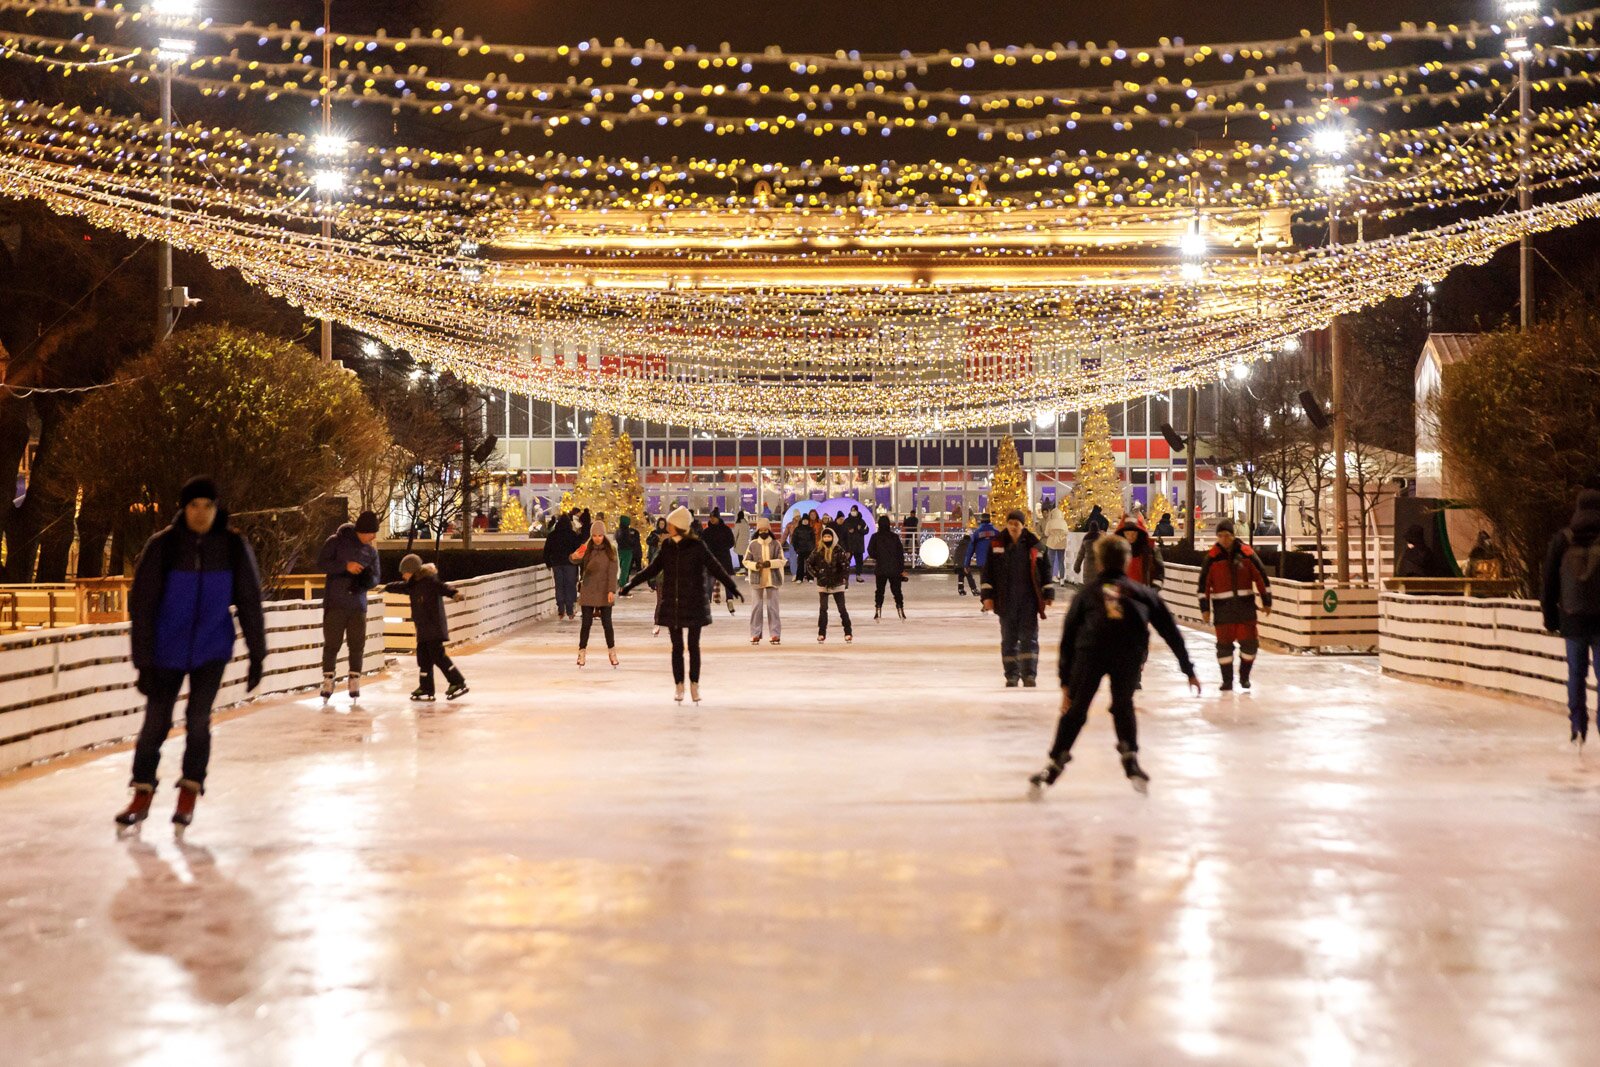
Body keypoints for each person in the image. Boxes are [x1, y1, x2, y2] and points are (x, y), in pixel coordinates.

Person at [115, 477, 267, 830]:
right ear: (184, 509)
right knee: (156, 723)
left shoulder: (231, 546)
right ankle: (142, 791)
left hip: (211, 648)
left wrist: (257, 653)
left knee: (198, 720)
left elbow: (249, 600)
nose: (201, 513)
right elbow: (143, 606)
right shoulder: (163, 546)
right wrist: (143, 662)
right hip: (165, 649)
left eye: (207, 506)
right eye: (194, 506)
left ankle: (189, 788)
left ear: (217, 508)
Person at [1031, 536, 1202, 795]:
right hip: (1128, 654)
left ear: (1098, 562)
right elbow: (1170, 632)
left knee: (1076, 710)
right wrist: (1188, 670)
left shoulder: (1087, 595)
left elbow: (1068, 637)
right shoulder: (1142, 593)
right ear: (1126, 561)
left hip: (1090, 654)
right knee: (1123, 706)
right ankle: (1130, 757)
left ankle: (1055, 762)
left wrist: (1065, 681)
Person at [621, 506, 743, 703]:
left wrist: (732, 587)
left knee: (693, 646)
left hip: (694, 602)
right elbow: (653, 569)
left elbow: (715, 568)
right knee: (676, 647)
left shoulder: (697, 546)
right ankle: (679, 685)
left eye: (670, 523)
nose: (667, 526)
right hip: (673, 602)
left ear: (678, 525)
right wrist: (630, 584)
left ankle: (694, 685)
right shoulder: (668, 546)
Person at [1542, 489, 1600, 744]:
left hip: (1572, 618)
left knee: (1576, 673)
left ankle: (1578, 723)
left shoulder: (1562, 539)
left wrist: (1551, 618)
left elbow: (1548, 583)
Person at [981, 510, 1055, 687]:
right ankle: (1011, 675)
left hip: (1028, 601)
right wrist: (987, 597)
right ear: (1007, 524)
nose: (1014, 527)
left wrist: (1048, 592)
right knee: (1009, 639)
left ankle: (1029, 675)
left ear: (1023, 525)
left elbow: (1045, 570)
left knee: (1029, 638)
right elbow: (987, 572)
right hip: (1005, 601)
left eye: (1017, 523)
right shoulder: (996, 544)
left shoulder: (1034, 545)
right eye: (1011, 523)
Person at [1198, 519, 1273, 691]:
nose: (1224, 539)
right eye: (1221, 536)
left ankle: (1244, 676)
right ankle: (1227, 681)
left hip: (1245, 609)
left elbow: (1261, 577)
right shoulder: (1212, 558)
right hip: (1223, 611)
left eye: (1227, 535)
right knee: (1224, 649)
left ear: (1233, 536)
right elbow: (1203, 586)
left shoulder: (1246, 554)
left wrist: (1266, 601)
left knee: (1250, 646)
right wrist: (1205, 608)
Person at [315, 509, 381, 701]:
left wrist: (367, 579)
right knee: (332, 644)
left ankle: (354, 679)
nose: (373, 537)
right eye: (371, 532)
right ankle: (328, 679)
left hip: (358, 605)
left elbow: (377, 577)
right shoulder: (335, 542)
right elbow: (321, 563)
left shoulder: (371, 552)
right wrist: (345, 566)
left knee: (357, 644)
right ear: (362, 530)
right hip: (336, 602)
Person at [385, 554, 468, 702]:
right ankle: (426, 687)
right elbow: (401, 587)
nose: (403, 576)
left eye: (405, 572)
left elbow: (443, 587)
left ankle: (457, 681)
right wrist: (388, 587)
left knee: (438, 657)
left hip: (434, 627)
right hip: (423, 629)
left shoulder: (429, 581)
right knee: (423, 659)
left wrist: (454, 593)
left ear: (412, 570)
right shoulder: (412, 585)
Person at [571, 518, 620, 667]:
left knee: (607, 623)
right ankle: (581, 652)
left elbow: (613, 572)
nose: (597, 538)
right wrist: (574, 556)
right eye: (594, 535)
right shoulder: (587, 549)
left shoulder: (611, 550)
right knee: (586, 623)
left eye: (600, 535)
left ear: (604, 535)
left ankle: (612, 652)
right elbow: (573, 560)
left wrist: (612, 590)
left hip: (605, 590)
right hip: (588, 589)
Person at [743, 516, 785, 644]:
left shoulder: (776, 544)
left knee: (773, 607)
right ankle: (755, 634)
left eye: (765, 529)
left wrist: (770, 563)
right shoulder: (753, 544)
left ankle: (775, 634)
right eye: (760, 529)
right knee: (756, 607)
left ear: (769, 529)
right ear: (757, 530)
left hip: (773, 579)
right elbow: (745, 561)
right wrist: (755, 565)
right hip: (757, 579)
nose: (763, 532)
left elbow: (782, 560)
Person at [808, 527, 853, 643]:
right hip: (823, 583)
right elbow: (809, 563)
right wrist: (817, 574)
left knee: (842, 608)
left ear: (833, 538)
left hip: (837, 583)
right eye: (825, 537)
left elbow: (846, 566)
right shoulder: (818, 550)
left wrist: (844, 578)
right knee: (823, 609)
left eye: (829, 537)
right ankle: (821, 633)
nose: (827, 539)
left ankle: (848, 632)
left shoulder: (839, 550)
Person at [868, 514, 908, 620]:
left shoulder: (875, 537)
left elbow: (870, 551)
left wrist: (878, 556)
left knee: (880, 591)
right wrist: (901, 569)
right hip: (894, 569)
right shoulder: (894, 537)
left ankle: (878, 609)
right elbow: (900, 553)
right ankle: (900, 609)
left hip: (881, 568)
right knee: (897, 591)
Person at [544, 510, 581, 621]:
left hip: (557, 563)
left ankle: (561, 608)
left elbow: (547, 550)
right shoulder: (572, 535)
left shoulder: (552, 535)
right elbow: (577, 550)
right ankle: (570, 610)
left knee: (559, 585)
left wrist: (548, 562)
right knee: (570, 585)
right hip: (570, 564)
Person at [1116, 517, 1166, 588]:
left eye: (1134, 533)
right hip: (1122, 594)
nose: (1131, 536)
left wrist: (1153, 590)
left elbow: (1159, 572)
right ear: (1123, 534)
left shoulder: (1150, 550)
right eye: (1127, 533)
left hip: (1143, 593)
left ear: (1139, 533)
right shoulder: (1116, 551)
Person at [962, 513, 1000, 602]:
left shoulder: (977, 533)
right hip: (995, 561)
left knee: (984, 582)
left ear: (981, 521)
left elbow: (970, 550)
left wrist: (966, 564)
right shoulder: (996, 532)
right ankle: (995, 599)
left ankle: (986, 601)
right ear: (990, 520)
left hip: (982, 562)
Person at [702, 511, 737, 604]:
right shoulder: (706, 531)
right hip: (711, 559)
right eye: (711, 517)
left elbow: (731, 542)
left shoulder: (726, 530)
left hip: (724, 557)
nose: (712, 519)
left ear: (718, 518)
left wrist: (722, 547)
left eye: (714, 517)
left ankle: (729, 599)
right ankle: (707, 600)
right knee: (710, 580)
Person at [1042, 505, 1071, 584]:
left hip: (1051, 543)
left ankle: (1050, 577)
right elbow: (1066, 533)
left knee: (1051, 561)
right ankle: (1062, 579)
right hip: (1061, 543)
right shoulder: (1063, 522)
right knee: (1061, 561)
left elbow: (1046, 533)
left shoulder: (1050, 522)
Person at [616, 515, 643, 592]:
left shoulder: (618, 531)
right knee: (625, 569)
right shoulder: (627, 532)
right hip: (627, 551)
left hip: (620, 550)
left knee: (622, 568)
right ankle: (623, 586)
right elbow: (631, 542)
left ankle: (622, 585)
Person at [844, 504, 870, 582]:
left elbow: (867, 530)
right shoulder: (847, 520)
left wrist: (860, 530)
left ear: (857, 511)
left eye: (854, 510)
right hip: (849, 545)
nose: (853, 512)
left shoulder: (861, 521)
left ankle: (858, 575)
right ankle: (844, 576)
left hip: (859, 545)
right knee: (846, 561)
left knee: (859, 561)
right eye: (852, 510)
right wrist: (848, 530)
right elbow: (843, 530)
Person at [791, 509, 818, 582]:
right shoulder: (797, 529)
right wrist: (796, 549)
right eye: (804, 520)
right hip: (800, 550)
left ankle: (810, 578)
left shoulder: (811, 529)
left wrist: (812, 548)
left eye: (807, 520)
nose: (805, 521)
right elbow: (794, 540)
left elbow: (813, 540)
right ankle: (799, 578)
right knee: (800, 564)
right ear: (802, 520)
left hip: (809, 550)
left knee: (809, 564)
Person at [953, 528, 977, 596]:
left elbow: (956, 555)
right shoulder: (969, 545)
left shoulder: (960, 545)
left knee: (961, 576)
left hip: (957, 564)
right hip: (964, 564)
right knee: (969, 577)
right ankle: (974, 589)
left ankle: (961, 590)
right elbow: (969, 554)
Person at [646, 517, 668, 587]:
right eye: (661, 524)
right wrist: (656, 542)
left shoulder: (668, 533)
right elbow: (648, 541)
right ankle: (654, 583)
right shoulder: (654, 533)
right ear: (658, 524)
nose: (662, 525)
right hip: (655, 554)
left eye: (663, 524)